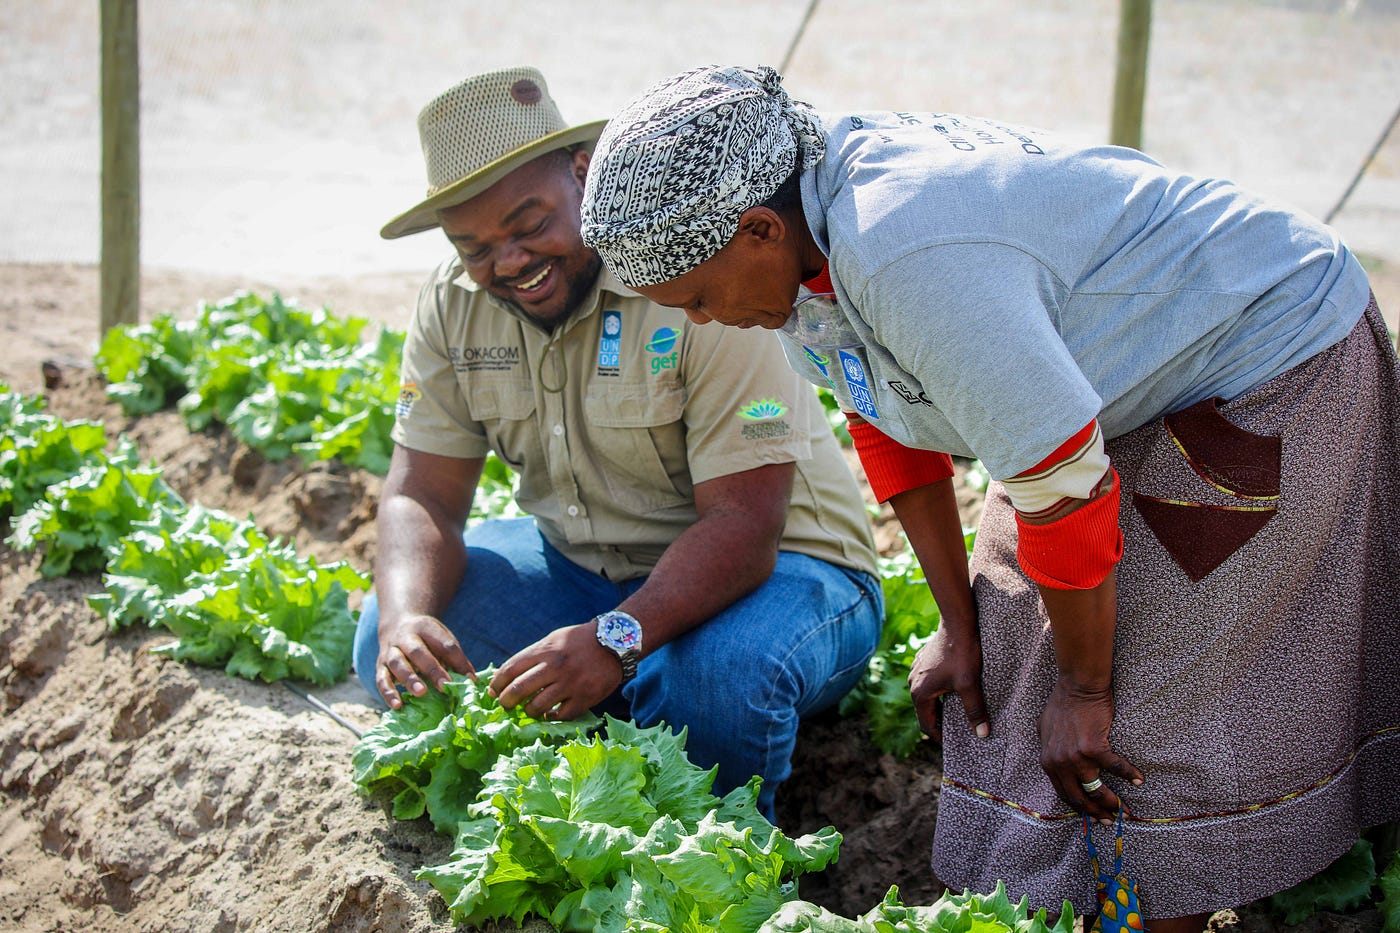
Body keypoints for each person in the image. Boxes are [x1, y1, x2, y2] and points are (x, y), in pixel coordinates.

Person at [577, 64, 1400, 930]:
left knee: (1141, 711)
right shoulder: (800, 255)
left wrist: (1083, 690)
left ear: (757, 228)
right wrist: (956, 623)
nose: (703, 321)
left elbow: (1061, 486)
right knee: (1007, 657)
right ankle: (1077, 902)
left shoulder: (907, 249)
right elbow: (887, 415)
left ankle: (1160, 904)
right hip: (1112, 376)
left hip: (1266, 351)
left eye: (699, 298)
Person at [353, 66, 885, 822]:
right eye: (475, 245)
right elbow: (420, 492)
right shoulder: (452, 302)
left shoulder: (690, 269)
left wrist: (616, 640)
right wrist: (410, 620)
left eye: (529, 224)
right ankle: (635, 710)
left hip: (785, 574)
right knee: (392, 637)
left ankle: (706, 778)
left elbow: (745, 524)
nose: (507, 261)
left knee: (712, 684)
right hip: (589, 576)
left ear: (581, 174)